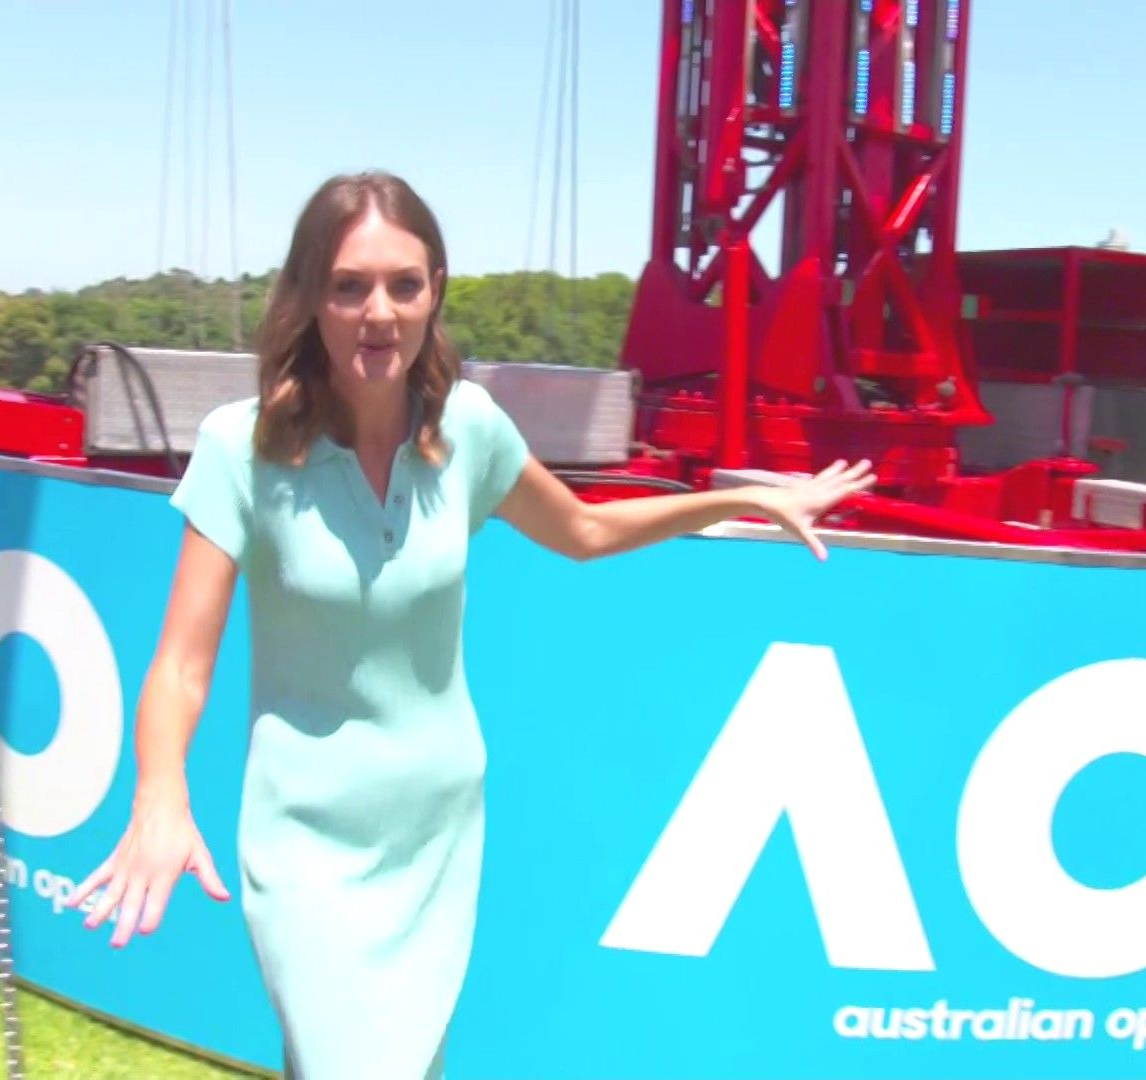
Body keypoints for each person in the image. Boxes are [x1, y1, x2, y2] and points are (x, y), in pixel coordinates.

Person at [68, 171, 873, 1079]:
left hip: (434, 833)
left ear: (436, 292)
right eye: (349, 286)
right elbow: (181, 666)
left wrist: (746, 500)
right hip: (304, 844)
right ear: (308, 298)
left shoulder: (472, 431)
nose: (379, 312)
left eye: (403, 285)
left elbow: (586, 530)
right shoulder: (238, 449)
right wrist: (160, 795)